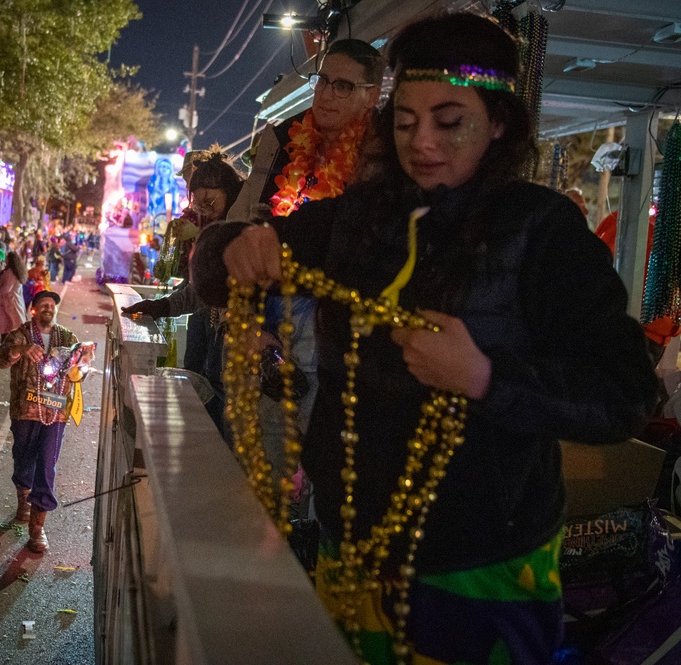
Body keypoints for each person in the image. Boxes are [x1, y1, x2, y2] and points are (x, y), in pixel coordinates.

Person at [192, 13, 659, 664]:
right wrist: (232, 246)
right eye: (405, 120)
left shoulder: (540, 231)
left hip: (482, 571)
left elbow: (626, 392)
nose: (424, 142)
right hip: (347, 549)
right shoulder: (358, 220)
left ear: (497, 122)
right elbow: (214, 271)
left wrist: (483, 376)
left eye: (449, 120)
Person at [122, 149, 245, 434]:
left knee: (220, 399)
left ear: (229, 191)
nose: (203, 210)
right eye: (198, 204)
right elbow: (199, 289)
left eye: (209, 202)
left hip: (235, 334)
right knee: (203, 388)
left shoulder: (242, 229)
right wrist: (160, 306)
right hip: (214, 325)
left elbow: (206, 289)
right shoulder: (212, 227)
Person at [227, 38, 383, 222]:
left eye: (342, 86)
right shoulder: (281, 139)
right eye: (322, 81)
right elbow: (238, 220)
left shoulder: (384, 152)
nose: (325, 95)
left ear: (371, 97)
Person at [0, 290, 94, 553]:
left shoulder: (69, 338)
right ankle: (24, 498)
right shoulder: (21, 334)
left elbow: (79, 375)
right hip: (25, 410)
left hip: (56, 414)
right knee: (24, 458)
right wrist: (20, 350)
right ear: (34, 310)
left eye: (53, 305)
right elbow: (0, 359)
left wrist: (82, 366)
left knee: (47, 465)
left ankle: (37, 528)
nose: (49, 308)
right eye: (44, 305)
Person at [0, 251, 29, 339]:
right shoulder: (18, 272)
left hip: (10, 302)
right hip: (16, 301)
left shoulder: (10, 272)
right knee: (15, 326)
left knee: (10, 327)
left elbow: (7, 288)